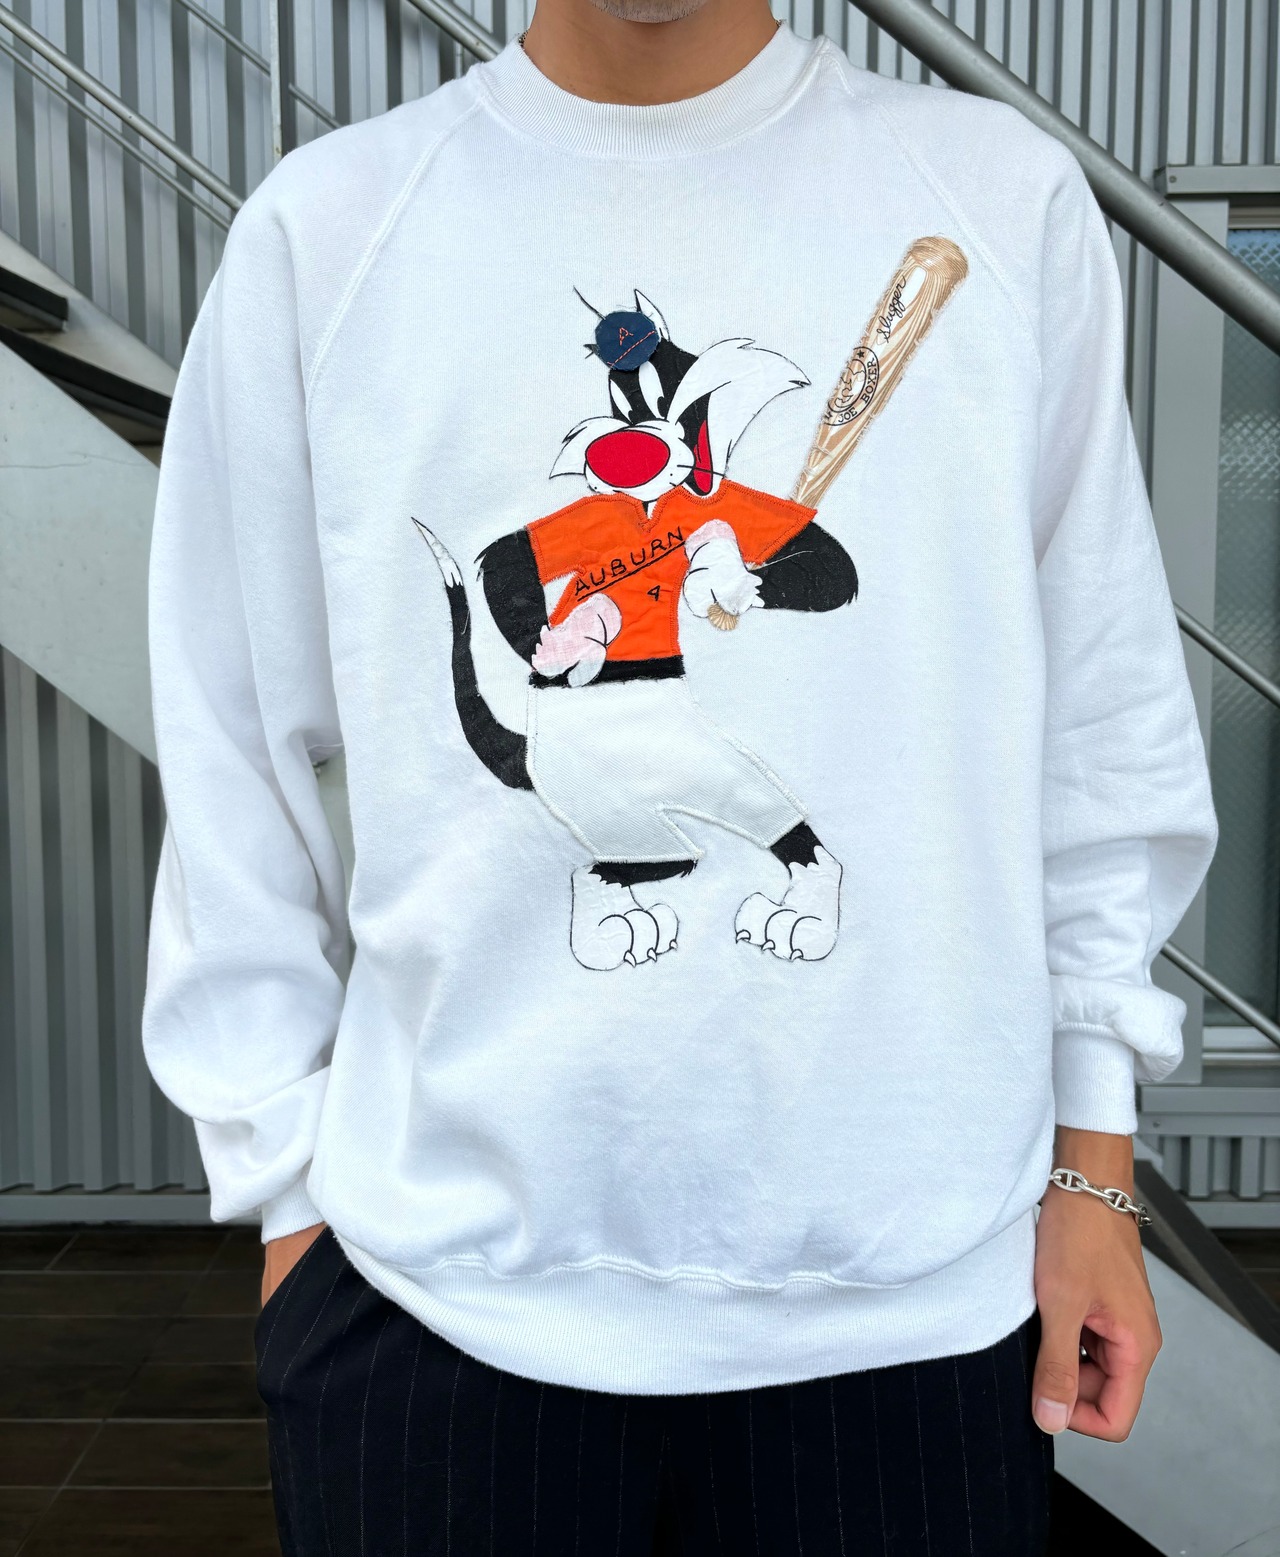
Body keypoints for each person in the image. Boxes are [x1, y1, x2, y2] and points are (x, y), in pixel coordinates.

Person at [140, 0, 1218, 1549]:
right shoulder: (334, 229)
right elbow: (232, 732)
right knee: (640, 814)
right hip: (432, 1303)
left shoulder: (998, 197)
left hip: (913, 1307)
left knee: (747, 806)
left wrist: (1094, 1160)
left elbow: (1098, 723)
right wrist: (285, 1191)